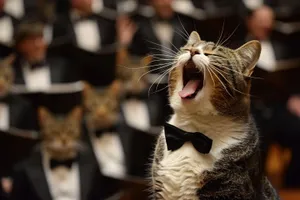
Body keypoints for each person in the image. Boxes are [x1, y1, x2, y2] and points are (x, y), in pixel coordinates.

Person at [240, 0, 300, 188]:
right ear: (250, 22)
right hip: (251, 110)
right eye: (261, 21)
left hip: (277, 107)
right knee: (257, 140)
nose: (266, 25)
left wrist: (295, 97)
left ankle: (292, 184)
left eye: (269, 21)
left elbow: (290, 79)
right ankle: (256, 188)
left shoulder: (282, 46)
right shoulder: (237, 48)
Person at [117, 0, 194, 125]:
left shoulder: (185, 23)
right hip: (152, 88)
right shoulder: (140, 27)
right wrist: (124, 43)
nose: (164, 3)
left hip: (181, 86)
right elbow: (128, 62)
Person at [13, 18, 80, 91]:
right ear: (21, 45)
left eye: (40, 39)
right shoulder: (12, 71)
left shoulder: (62, 68)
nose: (38, 45)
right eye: (32, 40)